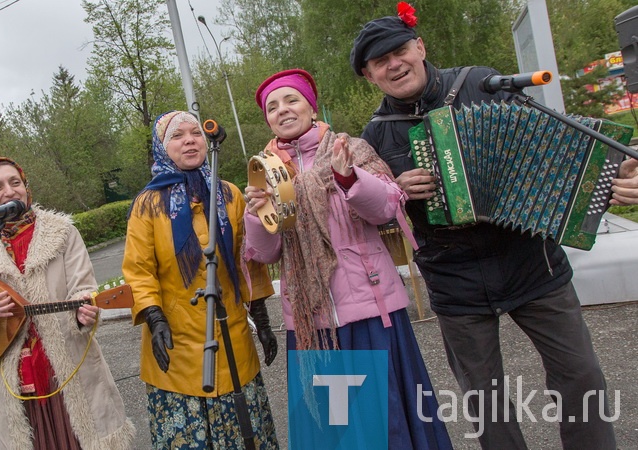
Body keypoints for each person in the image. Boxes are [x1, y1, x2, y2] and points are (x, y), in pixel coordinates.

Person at [352, 4, 636, 448]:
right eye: (379, 62)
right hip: (454, 279)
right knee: (485, 403)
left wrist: (615, 172)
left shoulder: (482, 85)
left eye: (400, 50)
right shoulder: (377, 137)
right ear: (370, 76)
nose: (394, 63)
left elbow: (553, 142)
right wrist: (399, 191)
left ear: (420, 47)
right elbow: (376, 216)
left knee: (580, 375)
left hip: (529, 260)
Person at [242, 69, 452, 448]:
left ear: (311, 105)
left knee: (387, 424)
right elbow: (268, 252)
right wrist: (256, 214)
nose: (283, 110)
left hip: (370, 315)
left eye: (291, 100)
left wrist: (349, 180)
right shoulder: (267, 172)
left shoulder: (349, 148)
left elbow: (388, 207)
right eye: (272, 107)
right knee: (341, 432)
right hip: (314, 327)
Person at [0, 157, 134, 450]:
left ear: (26, 188)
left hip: (72, 374)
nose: (9, 191)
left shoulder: (62, 232)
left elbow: (84, 288)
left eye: (15, 182)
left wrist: (82, 313)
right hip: (17, 388)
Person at [122, 110, 279, 449]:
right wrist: (153, 315)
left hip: (232, 336)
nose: (190, 140)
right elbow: (138, 269)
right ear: (162, 148)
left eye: (195, 133)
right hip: (175, 343)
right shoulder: (148, 205)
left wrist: (263, 321)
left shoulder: (229, 194)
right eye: (177, 135)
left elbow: (246, 262)